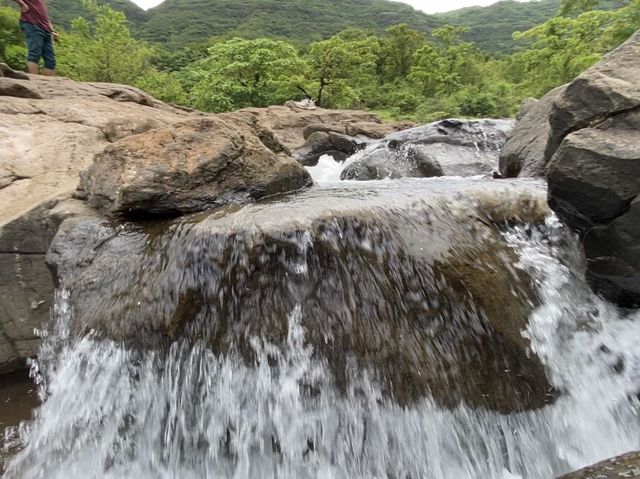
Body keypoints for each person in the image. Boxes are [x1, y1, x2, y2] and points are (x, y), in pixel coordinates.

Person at [13, 0, 58, 75]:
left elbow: (45, 16)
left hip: (46, 29)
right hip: (32, 23)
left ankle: (47, 83)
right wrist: (21, 3)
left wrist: (52, 30)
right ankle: (34, 81)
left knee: (51, 60)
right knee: (35, 53)